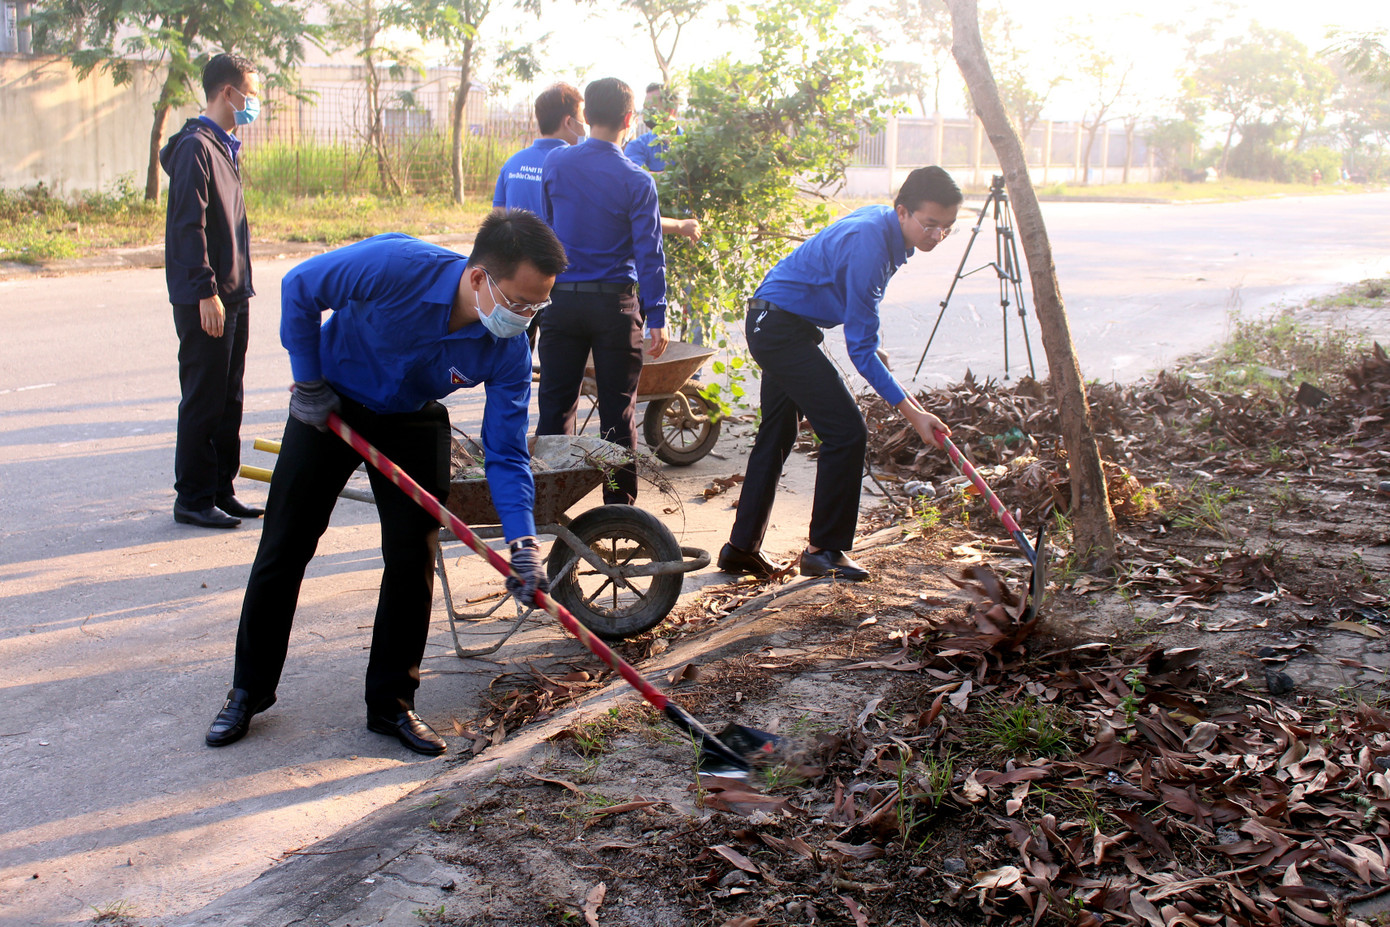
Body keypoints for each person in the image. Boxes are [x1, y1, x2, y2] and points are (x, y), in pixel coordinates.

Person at [204, 211, 567, 756]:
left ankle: (392, 704)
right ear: (478, 279)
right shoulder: (394, 265)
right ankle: (248, 690)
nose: (525, 317)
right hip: (328, 406)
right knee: (284, 546)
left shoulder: (508, 348)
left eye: (538, 306)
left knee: (411, 556)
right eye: (519, 302)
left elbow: (508, 452)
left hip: (412, 418)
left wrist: (523, 544)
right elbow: (299, 287)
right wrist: (307, 380)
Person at [717, 166, 959, 583]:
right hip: (780, 331)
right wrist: (914, 414)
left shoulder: (884, 226)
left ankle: (741, 549)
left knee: (777, 435)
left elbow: (855, 309)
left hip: (778, 323)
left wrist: (869, 339)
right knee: (846, 431)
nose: (936, 236)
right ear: (903, 211)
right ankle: (824, 550)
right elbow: (860, 350)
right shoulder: (872, 242)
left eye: (947, 228)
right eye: (930, 224)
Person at [537, 77, 668, 505]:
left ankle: (552, 504)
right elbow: (650, 257)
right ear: (629, 119)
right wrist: (659, 317)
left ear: (585, 117)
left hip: (561, 302)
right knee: (617, 411)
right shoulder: (638, 181)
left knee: (556, 407)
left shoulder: (556, 165)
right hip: (615, 306)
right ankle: (617, 509)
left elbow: (547, 233)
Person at [162, 53, 262, 529]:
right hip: (207, 297)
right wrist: (205, 291)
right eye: (250, 93)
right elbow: (189, 227)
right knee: (204, 395)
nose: (253, 103)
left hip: (232, 293)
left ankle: (221, 488)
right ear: (229, 93)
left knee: (230, 396)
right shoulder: (195, 148)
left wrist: (230, 289)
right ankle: (194, 497)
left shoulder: (224, 146)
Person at [492, 82, 586, 218]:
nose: (584, 129)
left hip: (514, 239)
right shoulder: (576, 167)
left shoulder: (512, 163)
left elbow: (497, 218)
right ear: (569, 122)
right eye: (582, 122)